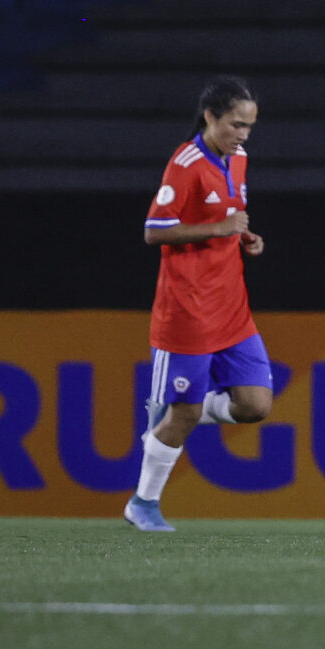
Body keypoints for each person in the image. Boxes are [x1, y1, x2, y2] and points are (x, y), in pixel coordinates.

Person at [126, 76, 273, 532]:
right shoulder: (185, 164)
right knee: (184, 414)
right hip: (187, 311)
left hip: (231, 307)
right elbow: (155, 230)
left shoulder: (239, 159)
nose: (243, 134)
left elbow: (227, 216)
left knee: (256, 405)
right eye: (235, 124)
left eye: (249, 125)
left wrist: (244, 237)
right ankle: (143, 504)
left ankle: (179, 409)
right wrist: (219, 229)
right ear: (210, 117)